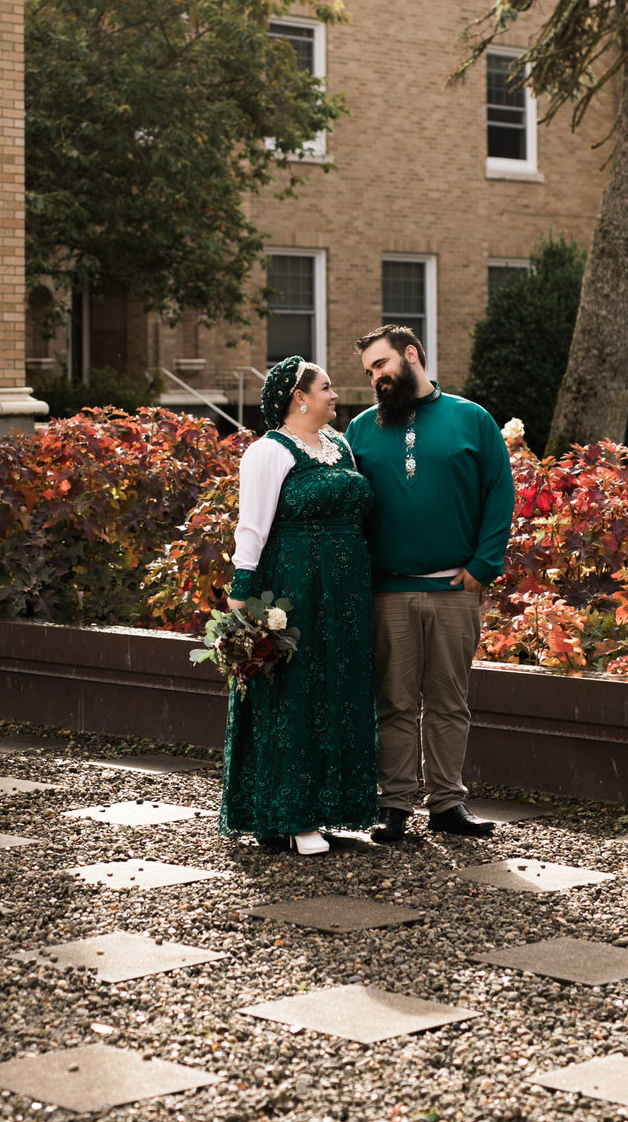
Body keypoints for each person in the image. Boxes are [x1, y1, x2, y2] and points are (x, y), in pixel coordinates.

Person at [346, 324, 514, 842]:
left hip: (454, 589)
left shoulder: (472, 419)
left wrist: (481, 569)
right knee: (393, 702)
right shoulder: (361, 430)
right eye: (369, 371)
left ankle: (447, 805)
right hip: (388, 590)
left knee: (448, 700)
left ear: (411, 355)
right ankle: (393, 806)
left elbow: (499, 495)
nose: (375, 377)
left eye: (381, 365)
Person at [219, 355, 378, 854]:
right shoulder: (268, 452)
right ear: (299, 398)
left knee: (340, 687)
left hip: (346, 587)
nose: (335, 394)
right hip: (294, 586)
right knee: (295, 693)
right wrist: (243, 592)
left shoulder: (341, 444)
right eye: (326, 387)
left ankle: (331, 805)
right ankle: (291, 816)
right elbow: (253, 525)